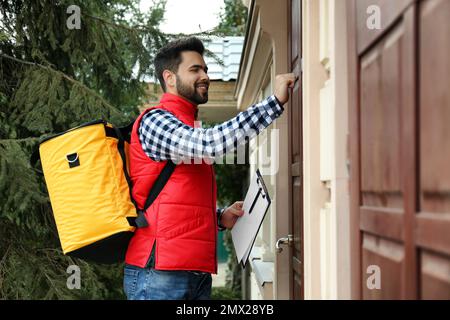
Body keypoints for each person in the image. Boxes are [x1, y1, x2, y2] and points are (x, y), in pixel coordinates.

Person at [123, 37, 296, 300]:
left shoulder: (187, 126)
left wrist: (218, 217)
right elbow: (209, 145)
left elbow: (175, 198)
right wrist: (273, 103)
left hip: (192, 272)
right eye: (195, 70)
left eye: (205, 69)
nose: (205, 76)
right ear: (169, 78)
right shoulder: (155, 121)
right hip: (159, 273)